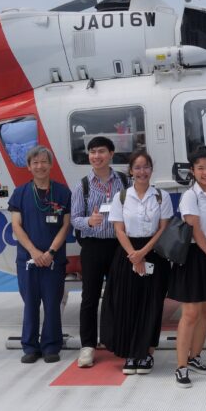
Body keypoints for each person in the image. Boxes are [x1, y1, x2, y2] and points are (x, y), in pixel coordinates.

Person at [102, 149, 173, 375]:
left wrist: (142, 252)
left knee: (152, 305)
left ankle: (147, 353)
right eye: (138, 167)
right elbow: (118, 229)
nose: (142, 172)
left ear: (151, 169)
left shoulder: (161, 196)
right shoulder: (121, 197)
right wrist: (134, 254)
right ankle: (131, 353)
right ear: (131, 171)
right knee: (128, 304)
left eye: (146, 167)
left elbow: (163, 229)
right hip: (127, 255)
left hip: (154, 254)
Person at [168, 145, 206, 388]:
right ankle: (180, 367)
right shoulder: (190, 196)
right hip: (195, 255)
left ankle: (195, 357)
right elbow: (195, 230)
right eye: (200, 168)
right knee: (190, 313)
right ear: (192, 171)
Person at [69, 136, 129, 368]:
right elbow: (74, 218)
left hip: (118, 246)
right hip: (92, 247)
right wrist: (89, 221)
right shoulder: (82, 185)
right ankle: (88, 346)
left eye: (101, 151)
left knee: (119, 296)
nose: (96, 156)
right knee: (89, 297)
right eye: (92, 152)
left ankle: (118, 340)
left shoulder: (124, 182)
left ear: (111, 154)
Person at [9, 145, 71, 363]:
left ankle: (51, 346)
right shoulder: (20, 193)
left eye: (44, 162)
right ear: (28, 167)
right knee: (31, 303)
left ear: (51, 165)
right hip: (28, 259)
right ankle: (30, 347)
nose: (40, 166)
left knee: (53, 302)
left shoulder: (62, 192)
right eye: (35, 162)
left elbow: (65, 225)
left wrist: (51, 252)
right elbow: (16, 225)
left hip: (53, 259)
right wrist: (34, 252)